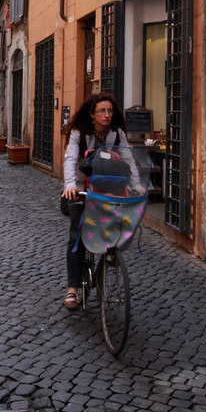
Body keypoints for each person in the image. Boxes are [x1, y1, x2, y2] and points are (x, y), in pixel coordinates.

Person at [61, 92, 140, 310]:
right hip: (79, 187)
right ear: (92, 114)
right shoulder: (79, 132)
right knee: (77, 234)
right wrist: (70, 186)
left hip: (107, 187)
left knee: (113, 225)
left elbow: (128, 158)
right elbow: (70, 159)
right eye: (101, 111)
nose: (106, 115)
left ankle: (108, 256)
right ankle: (73, 288)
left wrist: (137, 184)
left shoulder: (117, 133)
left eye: (109, 111)